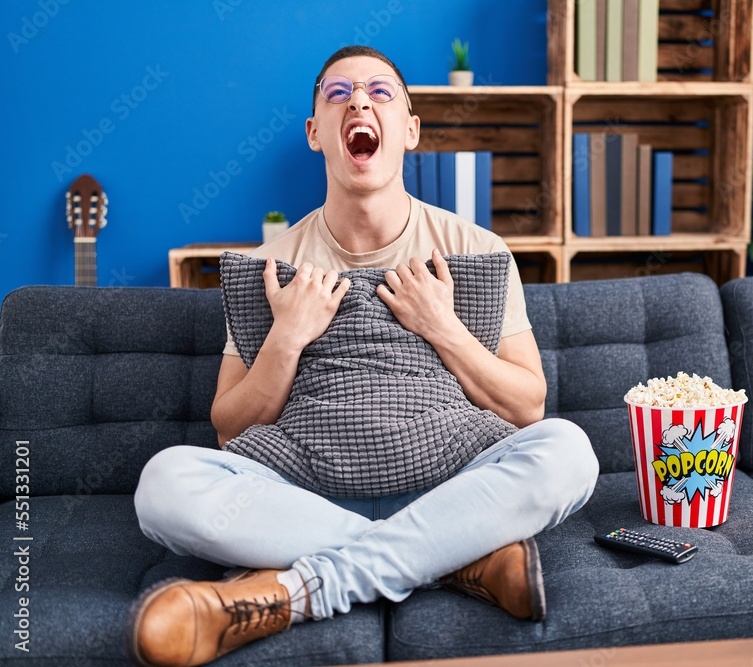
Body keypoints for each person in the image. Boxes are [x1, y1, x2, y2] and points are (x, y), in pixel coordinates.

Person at [128, 45, 599, 667]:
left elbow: (527, 406)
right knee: (163, 484)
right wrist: (287, 335)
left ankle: (297, 592)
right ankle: (458, 561)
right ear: (315, 133)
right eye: (337, 94)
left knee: (569, 451)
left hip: (451, 486)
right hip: (306, 500)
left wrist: (443, 326)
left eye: (381, 93)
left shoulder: (476, 249)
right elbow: (230, 428)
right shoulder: (270, 266)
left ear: (409, 129)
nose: (358, 102)